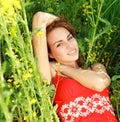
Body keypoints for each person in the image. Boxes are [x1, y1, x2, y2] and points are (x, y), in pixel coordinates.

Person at [32, 11, 118, 122]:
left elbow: (99, 83)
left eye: (70, 38)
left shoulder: (96, 68)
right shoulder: (51, 73)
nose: (69, 45)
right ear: (50, 54)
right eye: (59, 44)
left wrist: (62, 68)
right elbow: (40, 17)